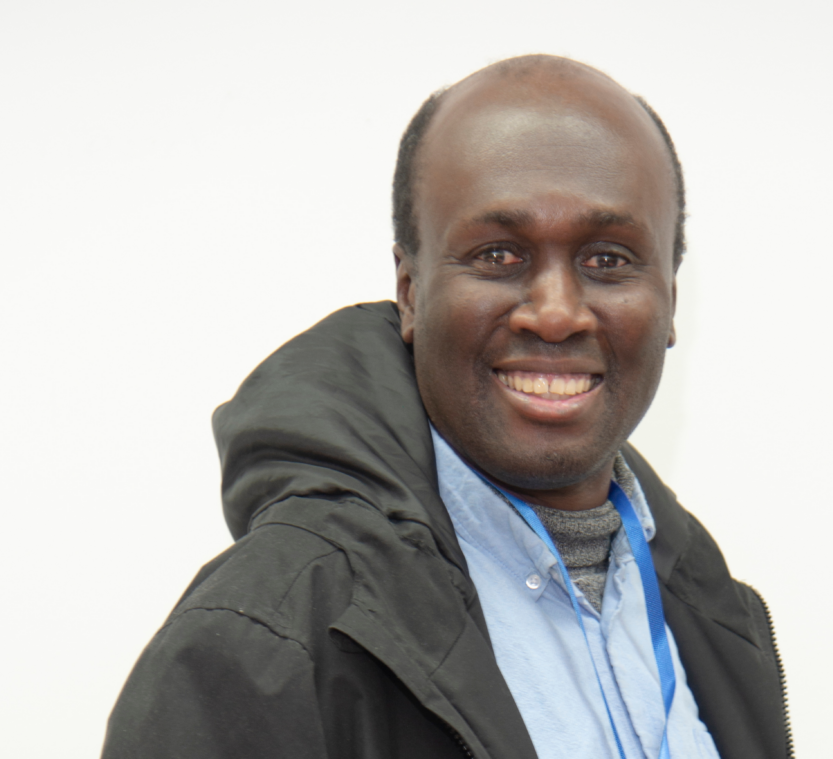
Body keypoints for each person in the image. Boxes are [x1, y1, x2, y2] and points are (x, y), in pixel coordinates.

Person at [102, 55, 793, 759]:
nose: (556, 313)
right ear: (410, 292)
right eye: (498, 255)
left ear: (670, 299)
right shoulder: (265, 644)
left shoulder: (717, 621)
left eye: (608, 259)